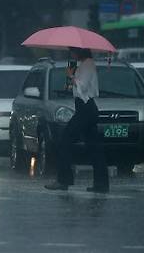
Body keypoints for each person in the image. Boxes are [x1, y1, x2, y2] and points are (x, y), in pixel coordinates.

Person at [45, 47, 109, 193]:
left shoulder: (88, 64)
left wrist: (72, 76)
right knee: (94, 148)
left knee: (65, 141)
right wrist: (70, 76)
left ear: (80, 51)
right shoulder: (81, 65)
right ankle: (101, 184)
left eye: (73, 51)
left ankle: (64, 180)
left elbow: (83, 87)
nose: (71, 54)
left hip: (86, 108)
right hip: (83, 107)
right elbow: (70, 87)